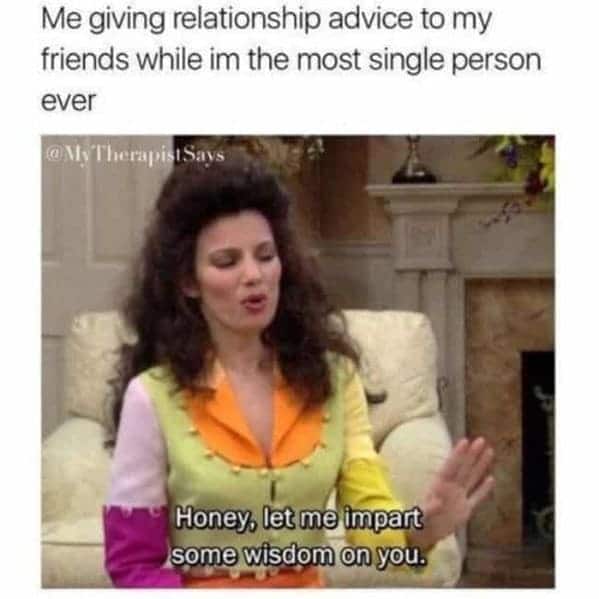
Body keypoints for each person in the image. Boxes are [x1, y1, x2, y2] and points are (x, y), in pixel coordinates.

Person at [102, 152, 495, 588]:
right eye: (227, 262)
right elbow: (132, 565)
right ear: (188, 281)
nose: (254, 275)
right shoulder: (151, 396)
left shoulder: (333, 378)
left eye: (265, 255)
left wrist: (423, 529)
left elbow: (368, 515)